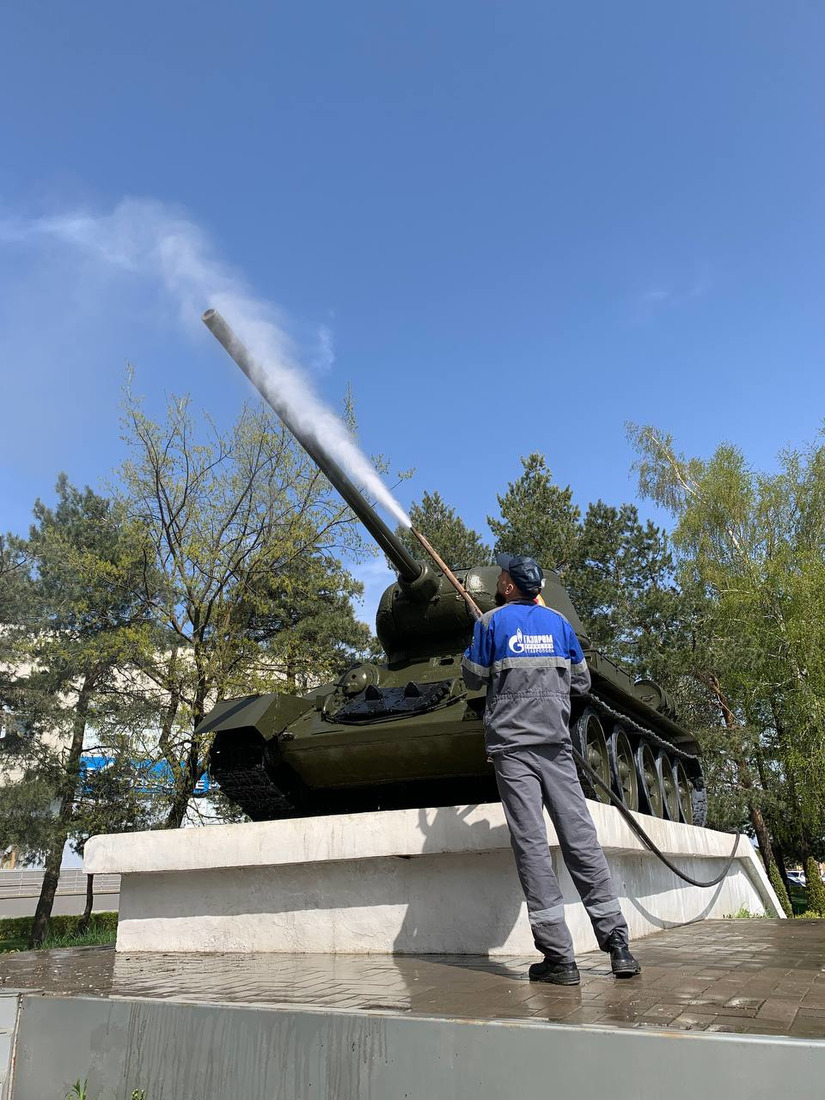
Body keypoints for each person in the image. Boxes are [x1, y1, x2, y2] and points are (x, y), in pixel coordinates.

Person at [462, 553, 641, 985]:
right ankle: (618, 946)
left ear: (508, 586)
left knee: (532, 848)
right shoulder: (559, 624)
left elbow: (471, 678)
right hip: (557, 748)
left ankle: (560, 960)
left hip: (513, 751)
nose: (498, 578)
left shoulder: (490, 624)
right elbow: (581, 682)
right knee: (581, 840)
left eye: (501, 575)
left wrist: (476, 642)